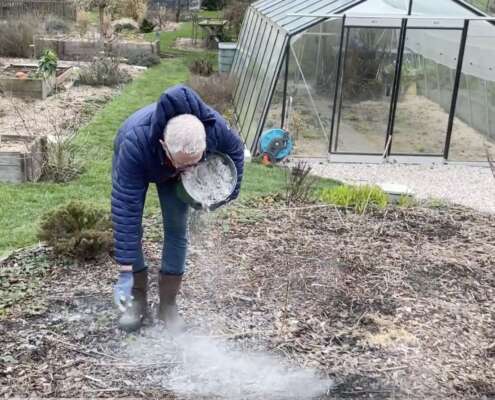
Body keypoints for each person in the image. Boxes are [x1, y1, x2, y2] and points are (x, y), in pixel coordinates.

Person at [111, 84, 244, 332]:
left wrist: (228, 194)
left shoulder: (214, 126)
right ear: (164, 145)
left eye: (195, 164)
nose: (189, 173)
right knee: (132, 226)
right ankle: (137, 298)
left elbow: (235, 149)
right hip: (142, 160)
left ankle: (168, 305)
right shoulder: (134, 145)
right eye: (183, 166)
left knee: (176, 227)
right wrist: (126, 273)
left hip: (172, 160)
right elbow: (125, 216)